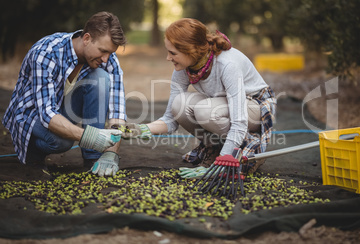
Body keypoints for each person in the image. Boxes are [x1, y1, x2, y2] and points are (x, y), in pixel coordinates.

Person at [130, 18, 277, 177]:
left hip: (255, 106)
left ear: (191, 51)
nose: (168, 58)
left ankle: (245, 152)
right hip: (223, 105)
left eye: (173, 53)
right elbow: (171, 119)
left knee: (205, 111)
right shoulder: (184, 68)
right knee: (180, 104)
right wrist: (141, 129)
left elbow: (239, 121)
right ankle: (214, 149)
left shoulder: (227, 65)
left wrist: (223, 163)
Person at [2, 11, 127, 177]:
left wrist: (111, 153)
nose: (106, 59)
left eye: (110, 53)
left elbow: (117, 110)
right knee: (62, 142)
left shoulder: (107, 58)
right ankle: (33, 152)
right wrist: (92, 137)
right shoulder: (47, 53)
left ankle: (93, 158)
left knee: (100, 77)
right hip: (30, 115)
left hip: (61, 110)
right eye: (103, 51)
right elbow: (46, 114)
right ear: (87, 38)